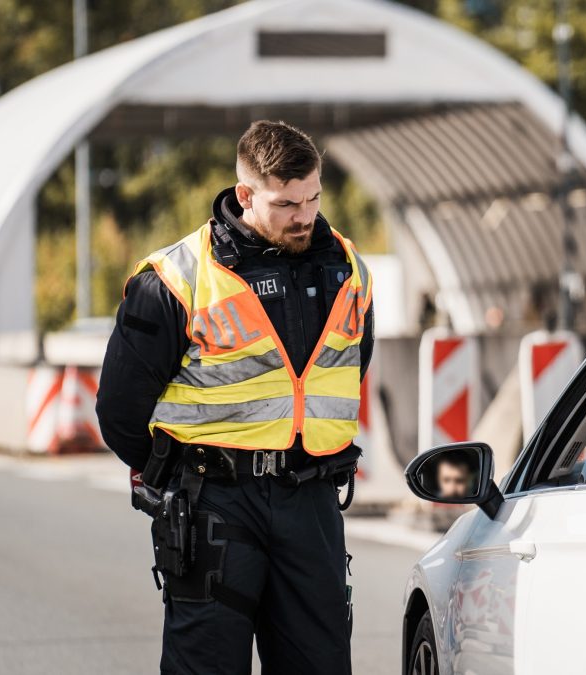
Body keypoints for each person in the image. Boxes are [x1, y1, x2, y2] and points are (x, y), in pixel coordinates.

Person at [96, 120, 374, 675]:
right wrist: (173, 475)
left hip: (311, 501)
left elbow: (350, 369)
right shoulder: (175, 278)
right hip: (213, 504)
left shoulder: (348, 270)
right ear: (245, 195)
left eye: (313, 197)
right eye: (286, 203)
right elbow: (120, 410)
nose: (304, 215)